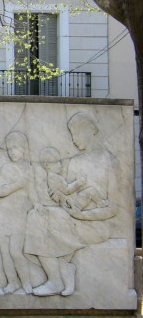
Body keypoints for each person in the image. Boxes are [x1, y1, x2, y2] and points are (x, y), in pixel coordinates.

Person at [24, 112, 118, 296]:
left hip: (94, 222)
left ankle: (60, 273)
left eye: (76, 133)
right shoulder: (75, 161)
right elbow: (68, 194)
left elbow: (114, 208)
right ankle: (58, 275)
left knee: (42, 222)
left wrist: (83, 215)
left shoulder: (109, 160)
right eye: (71, 134)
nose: (73, 139)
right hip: (73, 216)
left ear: (91, 131)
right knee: (36, 215)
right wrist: (58, 196)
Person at [0, 131, 34, 294]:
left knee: (15, 251)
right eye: (9, 149)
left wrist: (36, 204)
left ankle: (26, 282)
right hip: (2, 213)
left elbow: (33, 192)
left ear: (24, 149)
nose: (12, 152)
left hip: (18, 214)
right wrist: (18, 183)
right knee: (5, 253)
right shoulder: (6, 168)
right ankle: (12, 282)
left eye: (15, 148)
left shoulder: (30, 168)